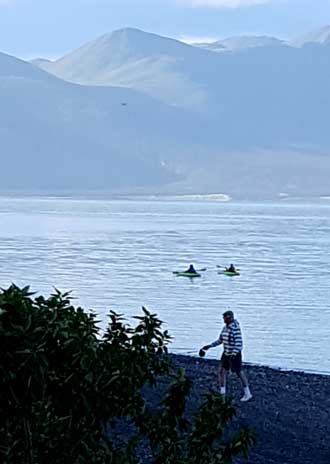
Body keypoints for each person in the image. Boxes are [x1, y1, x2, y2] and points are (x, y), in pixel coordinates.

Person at [199, 310, 252, 402]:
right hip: (226, 353)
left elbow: (239, 343)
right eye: (223, 318)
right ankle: (222, 394)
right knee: (221, 371)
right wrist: (209, 346)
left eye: (225, 318)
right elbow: (220, 340)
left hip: (234, 354)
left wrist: (234, 354)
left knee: (239, 372)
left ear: (230, 318)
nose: (224, 320)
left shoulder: (235, 328)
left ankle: (247, 393)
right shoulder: (225, 328)